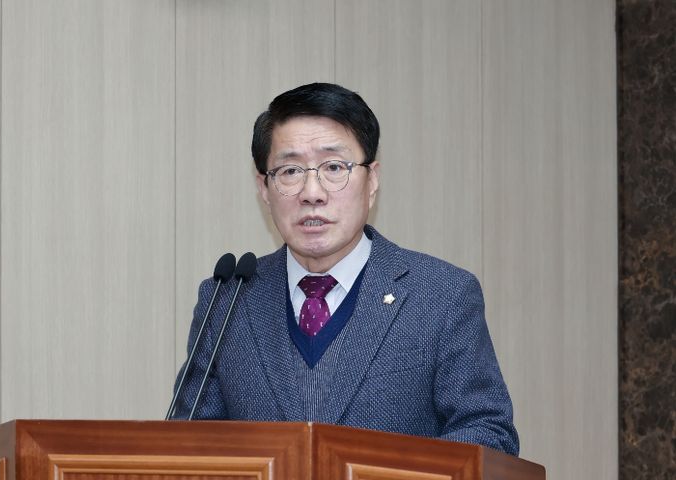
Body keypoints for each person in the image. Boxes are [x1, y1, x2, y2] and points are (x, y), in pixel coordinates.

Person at [171, 82, 519, 456]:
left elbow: (488, 434)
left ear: (372, 180)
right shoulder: (228, 300)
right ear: (264, 188)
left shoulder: (441, 295)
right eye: (290, 171)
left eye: (335, 167)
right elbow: (190, 446)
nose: (312, 192)